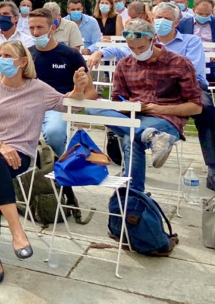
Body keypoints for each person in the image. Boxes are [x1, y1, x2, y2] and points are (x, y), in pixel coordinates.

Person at [0, 41, 89, 284]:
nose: (1, 59)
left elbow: (67, 103)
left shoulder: (37, 89)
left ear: (23, 62)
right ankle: (17, 230)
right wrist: (0, 145)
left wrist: (78, 89)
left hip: (18, 155)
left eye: (7, 55)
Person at [86, 18, 202, 192]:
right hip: (134, 115)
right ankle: (150, 137)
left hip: (167, 119)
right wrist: (131, 106)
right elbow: (119, 101)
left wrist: (157, 109)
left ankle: (132, 194)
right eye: (131, 48)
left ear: (153, 40)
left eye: (141, 48)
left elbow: (196, 106)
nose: (137, 52)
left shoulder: (180, 63)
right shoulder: (124, 64)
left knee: (131, 138)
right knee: (92, 106)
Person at [27, 9, 98, 156]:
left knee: (55, 133)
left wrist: (76, 99)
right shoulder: (26, 55)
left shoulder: (70, 55)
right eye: (31, 28)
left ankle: (56, 166)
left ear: (53, 28)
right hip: (29, 105)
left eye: (40, 27)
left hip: (59, 106)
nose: (35, 33)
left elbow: (91, 92)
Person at [0, 2, 34, 72]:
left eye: (5, 14)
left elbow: (26, 63)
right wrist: (14, 62)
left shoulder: (27, 39)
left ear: (16, 18)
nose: (2, 17)